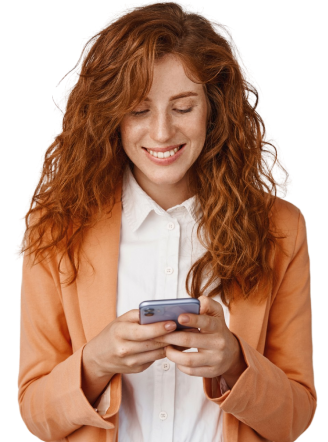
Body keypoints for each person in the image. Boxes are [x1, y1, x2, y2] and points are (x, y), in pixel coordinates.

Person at [16, 1, 317, 441]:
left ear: (213, 108)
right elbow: (36, 416)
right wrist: (95, 362)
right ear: (110, 115)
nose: (161, 133)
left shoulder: (282, 229)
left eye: (183, 107)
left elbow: (295, 418)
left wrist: (234, 361)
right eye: (139, 110)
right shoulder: (56, 227)